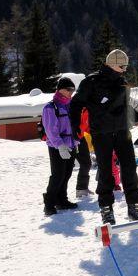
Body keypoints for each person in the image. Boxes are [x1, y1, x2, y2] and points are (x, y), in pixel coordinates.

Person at [70, 49, 138, 225]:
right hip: (101, 133)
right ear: (112, 64)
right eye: (122, 66)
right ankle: (106, 209)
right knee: (105, 171)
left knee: (129, 167)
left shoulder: (122, 82)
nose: (125, 69)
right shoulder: (91, 82)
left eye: (126, 66)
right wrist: (74, 124)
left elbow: (125, 107)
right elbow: (75, 104)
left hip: (122, 131)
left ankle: (134, 206)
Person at [41, 77, 80, 215]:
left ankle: (62, 200)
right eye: (68, 89)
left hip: (71, 145)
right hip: (57, 147)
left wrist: (76, 143)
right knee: (58, 175)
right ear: (60, 89)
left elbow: (74, 126)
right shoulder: (50, 107)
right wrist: (60, 146)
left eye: (72, 90)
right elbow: (51, 130)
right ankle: (49, 204)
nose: (71, 92)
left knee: (67, 174)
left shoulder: (70, 106)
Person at [74, 105, 92, 198]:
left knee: (87, 163)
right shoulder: (76, 106)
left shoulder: (87, 108)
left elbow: (86, 125)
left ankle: (82, 188)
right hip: (72, 138)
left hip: (81, 137)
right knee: (65, 169)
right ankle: (81, 189)